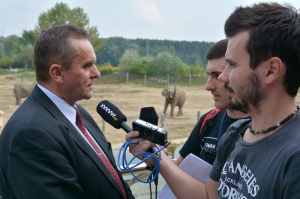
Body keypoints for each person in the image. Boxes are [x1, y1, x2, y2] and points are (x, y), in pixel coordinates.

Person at [126, 2, 300, 198]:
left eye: (232, 65)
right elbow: (210, 196)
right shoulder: (236, 133)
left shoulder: (295, 156)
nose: (224, 78)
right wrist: (156, 157)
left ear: (271, 70)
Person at [0, 25, 134, 199]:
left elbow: (115, 183)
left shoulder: (79, 113)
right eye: (87, 66)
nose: (97, 73)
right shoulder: (31, 134)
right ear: (57, 73)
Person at [175, 39, 249, 166]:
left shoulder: (263, 128)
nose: (208, 86)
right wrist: (154, 157)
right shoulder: (209, 120)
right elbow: (179, 169)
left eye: (217, 75)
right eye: (209, 75)